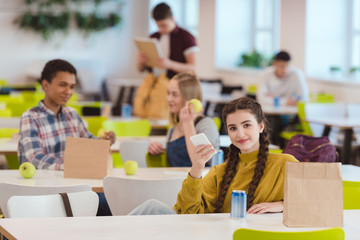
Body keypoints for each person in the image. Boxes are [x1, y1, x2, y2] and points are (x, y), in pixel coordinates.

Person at [129, 97, 298, 215]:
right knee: (152, 207)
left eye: (247, 125)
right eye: (232, 128)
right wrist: (197, 168)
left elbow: (318, 198)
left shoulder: (286, 163)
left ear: (260, 126)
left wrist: (283, 205)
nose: (240, 134)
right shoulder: (220, 172)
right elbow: (187, 212)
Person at [18, 59, 115, 215]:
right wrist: (71, 164)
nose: (68, 92)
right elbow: (34, 158)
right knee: (107, 204)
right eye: (63, 85)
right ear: (45, 85)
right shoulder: (30, 117)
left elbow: (90, 144)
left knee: (114, 199)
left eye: (72, 87)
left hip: (75, 187)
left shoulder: (72, 115)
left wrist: (105, 142)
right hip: (45, 192)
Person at [134, 2, 198, 119]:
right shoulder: (153, 37)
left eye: (163, 25)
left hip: (172, 87)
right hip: (152, 88)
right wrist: (140, 61)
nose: (160, 29)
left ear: (172, 19)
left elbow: (193, 67)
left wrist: (169, 64)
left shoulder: (186, 37)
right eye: (158, 25)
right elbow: (140, 69)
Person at [147, 72, 219, 167]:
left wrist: (188, 123)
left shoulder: (206, 124)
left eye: (175, 94)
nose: (168, 98)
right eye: (168, 93)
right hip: (176, 181)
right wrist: (158, 148)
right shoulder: (173, 129)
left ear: (188, 98)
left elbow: (199, 162)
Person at [258, 51, 309, 146]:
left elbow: (304, 98)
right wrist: (286, 101)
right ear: (274, 64)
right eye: (281, 66)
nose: (285, 70)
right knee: (272, 122)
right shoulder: (265, 75)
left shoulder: (297, 74)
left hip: (292, 115)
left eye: (287, 66)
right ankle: (273, 147)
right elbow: (262, 99)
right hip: (271, 114)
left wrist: (275, 98)